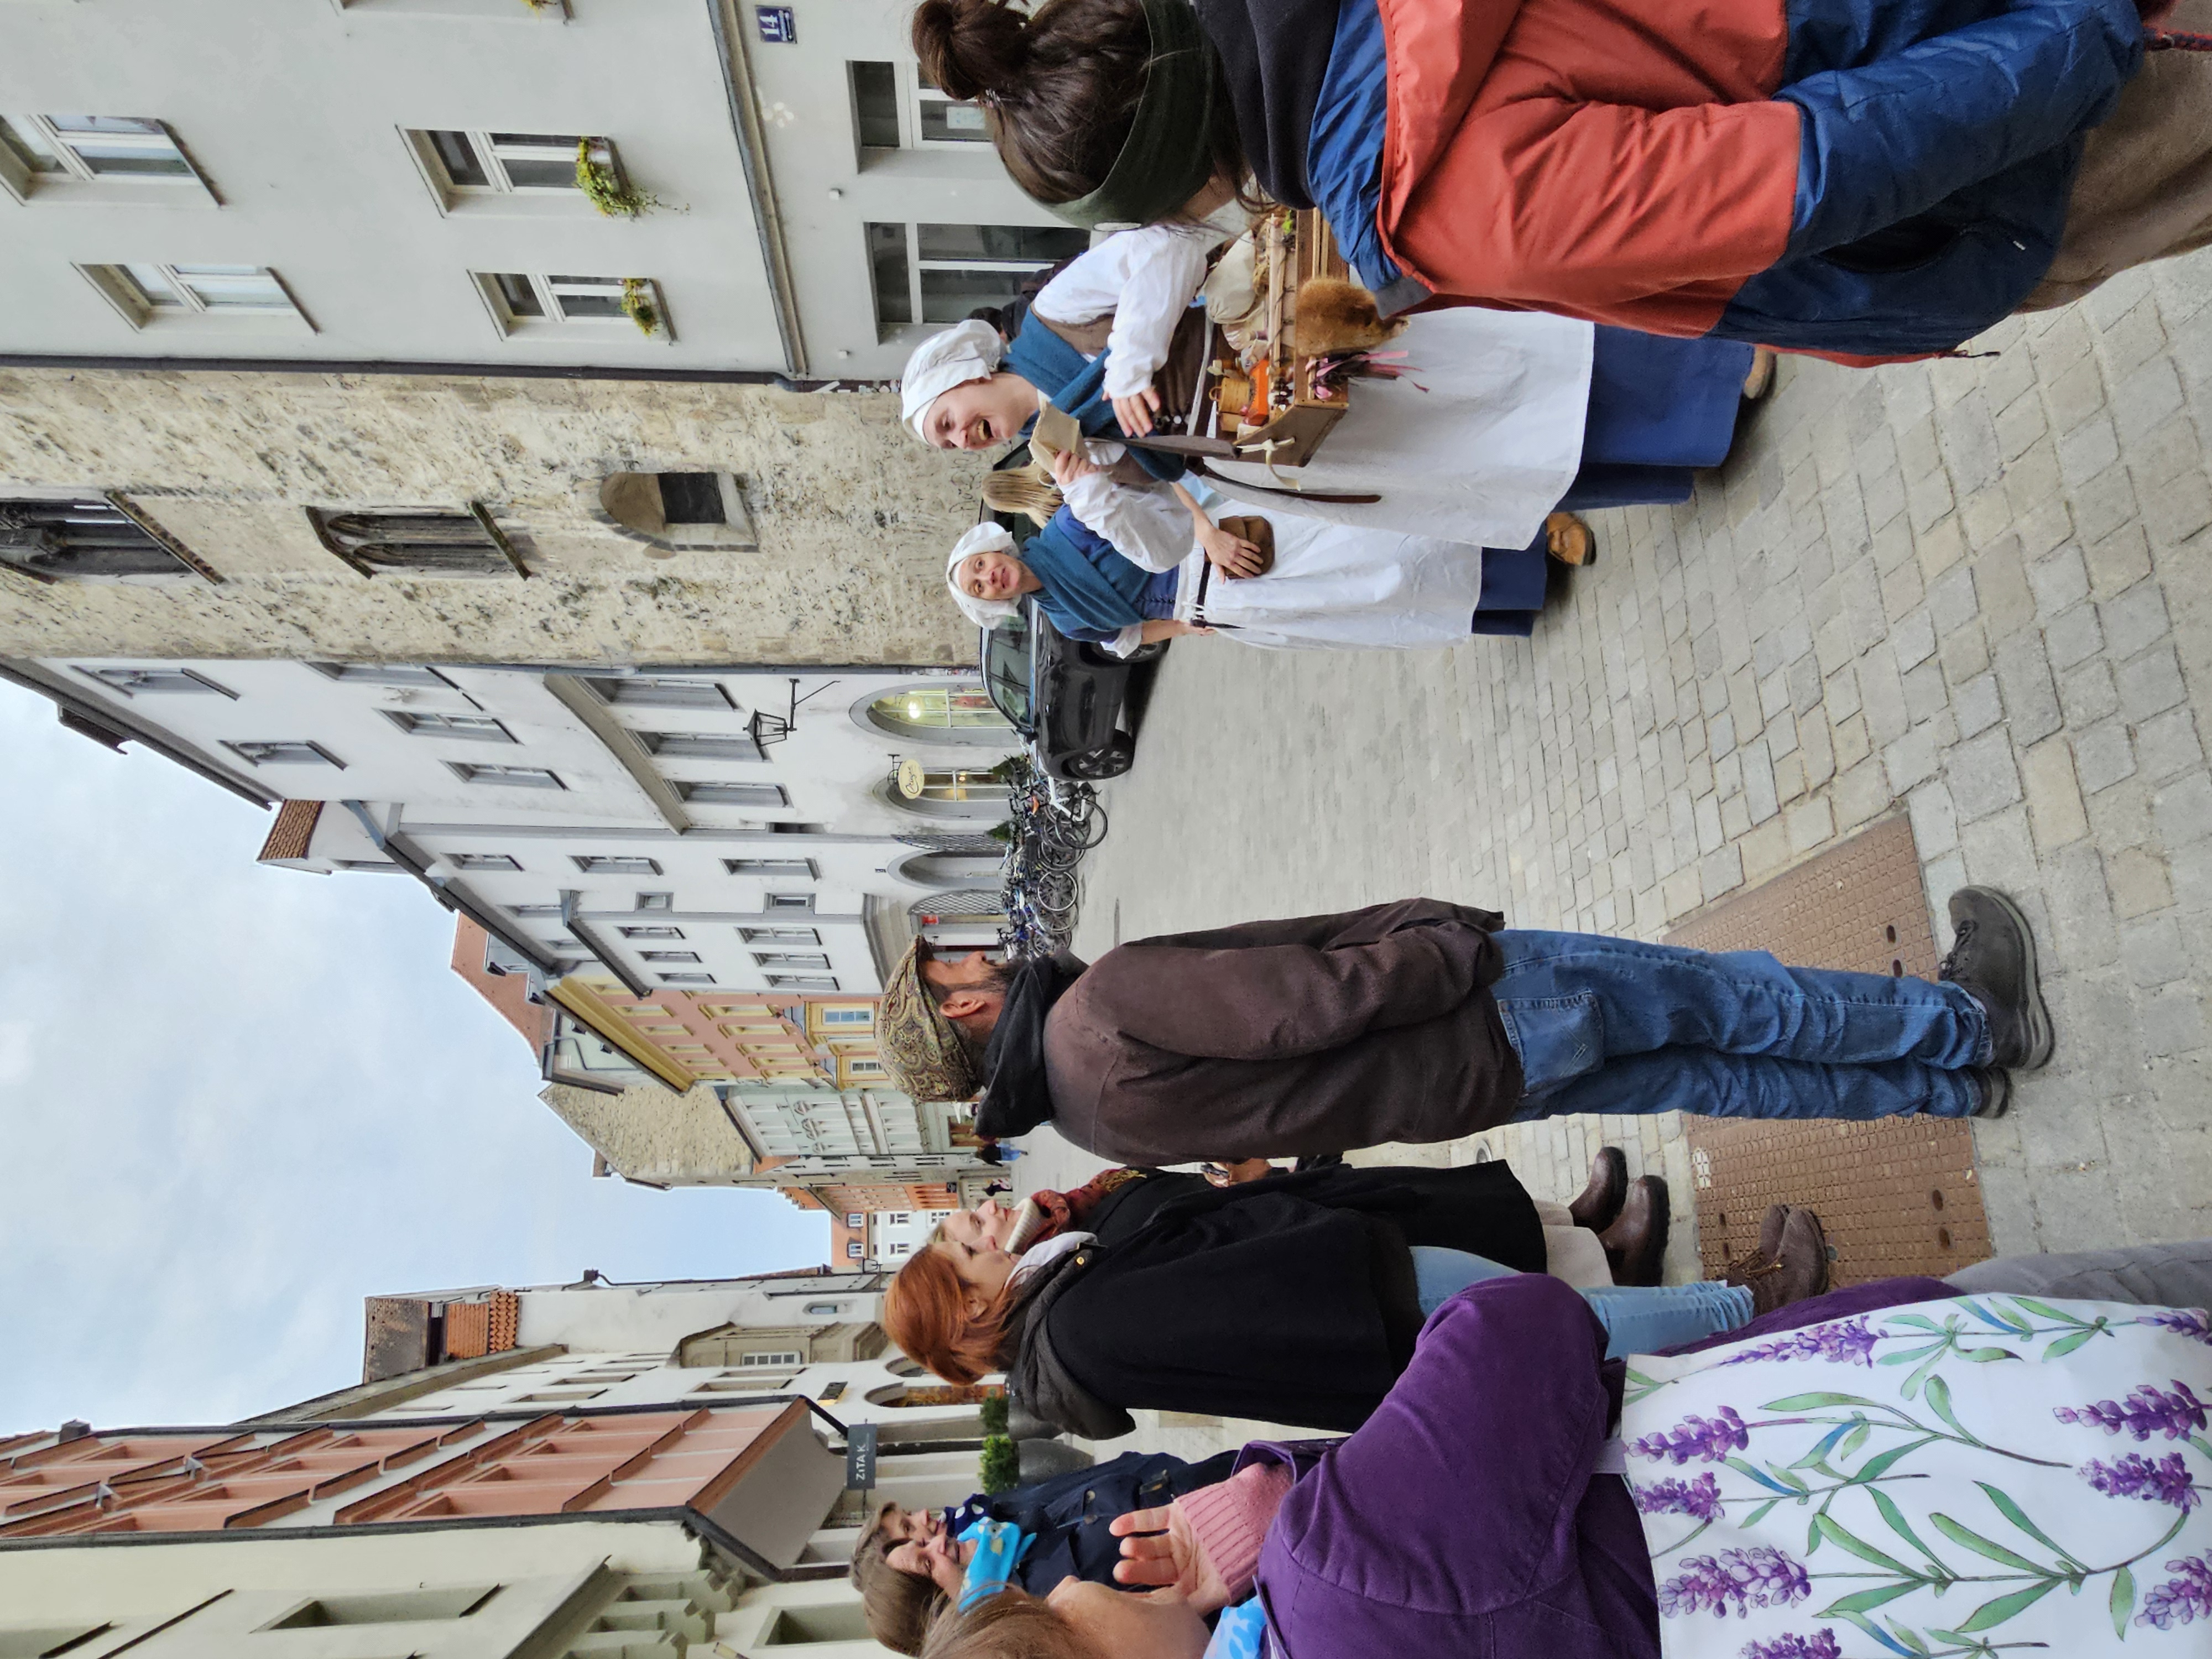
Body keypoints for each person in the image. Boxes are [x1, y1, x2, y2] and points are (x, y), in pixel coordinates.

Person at [917, 1259, 2212, 1659]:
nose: (1090, 1574)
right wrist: (1283, 1492)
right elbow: (1517, 1325)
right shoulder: (1329, 1575)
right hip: (1942, 1455)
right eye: (1056, 1601)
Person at [909, 0, 2212, 359]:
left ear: (1178, 191)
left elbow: (1818, 171)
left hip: (2027, 111)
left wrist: (2089, 33)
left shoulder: (1434, 197)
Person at [875, 888, 2051, 1168]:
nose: (977, 951)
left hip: (1466, 1089)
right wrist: (1448, 948)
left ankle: (1943, 1092)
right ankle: (1967, 1024)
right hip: (1478, 1006)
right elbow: (1308, 1008)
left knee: (1709, 1068)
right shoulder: (1100, 1009)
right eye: (956, 965)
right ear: (965, 1009)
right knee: (1732, 1001)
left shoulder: (1088, 1124)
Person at [881, 1171, 1827, 1437]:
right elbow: (1237, 1295)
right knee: (1570, 1320)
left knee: (1557, 1312)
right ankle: (1756, 1300)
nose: (978, 1227)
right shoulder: (1077, 1326)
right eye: (968, 1252)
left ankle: (1741, 1304)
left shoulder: (1062, 1306)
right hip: (1364, 1302)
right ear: (971, 1312)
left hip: (1362, 1294)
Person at [851, 1449, 1238, 1653]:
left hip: (1217, 1498)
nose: (936, 1541)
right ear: (937, 1614)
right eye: (926, 1562)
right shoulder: (1040, 1619)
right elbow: (1179, 1627)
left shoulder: (1000, 1535)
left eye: (919, 1542)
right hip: (1245, 1568)